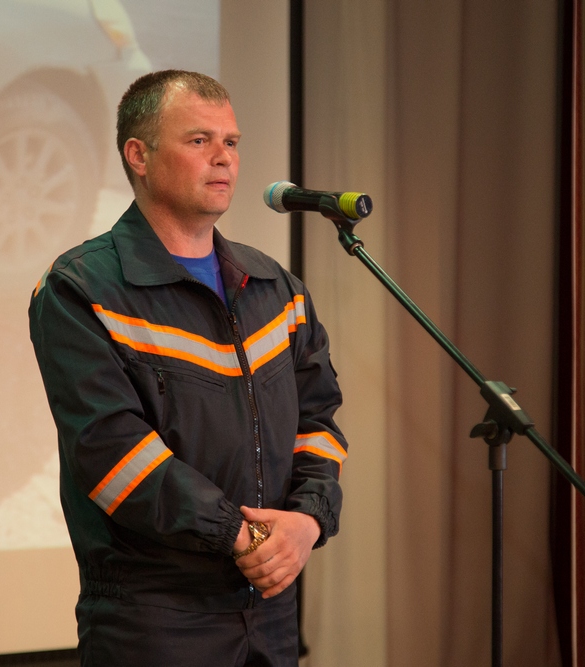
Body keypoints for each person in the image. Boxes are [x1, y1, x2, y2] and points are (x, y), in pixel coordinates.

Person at [29, 70, 347, 667]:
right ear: (139, 156)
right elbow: (111, 453)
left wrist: (308, 520)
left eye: (231, 142)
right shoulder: (82, 288)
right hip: (156, 617)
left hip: (271, 613)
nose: (223, 157)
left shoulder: (275, 288)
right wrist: (244, 536)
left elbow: (318, 422)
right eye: (200, 140)